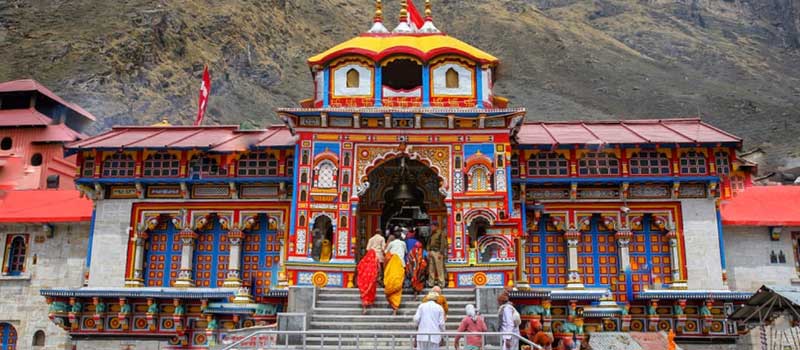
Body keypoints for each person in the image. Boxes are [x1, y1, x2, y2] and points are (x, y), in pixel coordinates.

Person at [383, 233, 405, 315]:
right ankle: (395, 307)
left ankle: (390, 299)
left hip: (391, 265)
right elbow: (405, 252)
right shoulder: (403, 243)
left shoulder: (391, 244)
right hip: (401, 265)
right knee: (398, 285)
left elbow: (385, 252)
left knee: (390, 282)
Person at [357, 249, 379, 315]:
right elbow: (379, 269)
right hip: (371, 280)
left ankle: (364, 308)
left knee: (364, 294)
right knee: (370, 292)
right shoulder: (375, 260)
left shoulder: (364, 260)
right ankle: (369, 303)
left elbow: (358, 267)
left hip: (364, 280)